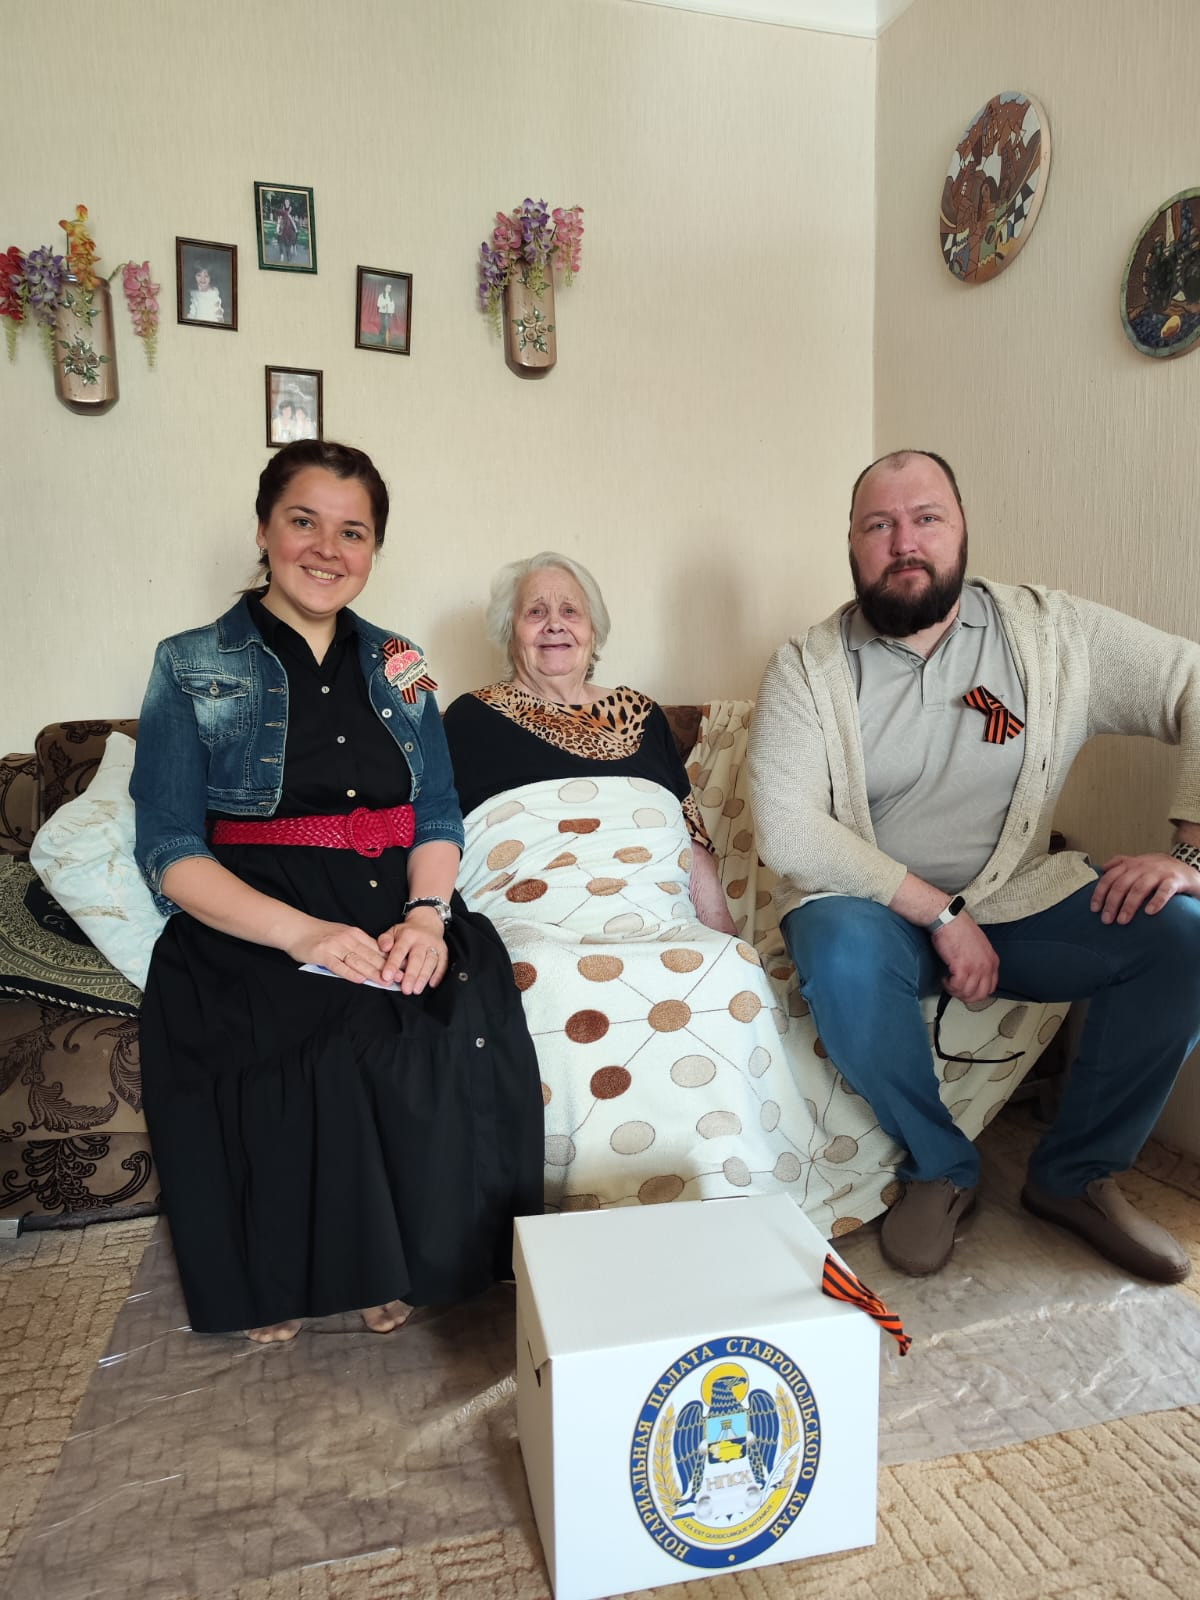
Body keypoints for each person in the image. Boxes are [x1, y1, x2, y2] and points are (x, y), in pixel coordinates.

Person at [748, 448, 1200, 1282]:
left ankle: (1075, 1177)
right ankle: (941, 1166)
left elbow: (1193, 680)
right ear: (850, 544)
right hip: (873, 914)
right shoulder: (807, 668)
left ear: (962, 531)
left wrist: (1190, 851)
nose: (904, 542)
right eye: (879, 525)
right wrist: (939, 912)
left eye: (927, 518)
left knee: (1184, 934)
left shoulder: (1053, 635)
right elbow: (786, 829)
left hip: (1018, 903)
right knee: (836, 946)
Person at [130, 439, 543, 1341]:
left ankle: (402, 1263)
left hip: (395, 900)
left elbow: (438, 812)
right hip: (256, 914)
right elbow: (167, 847)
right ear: (264, 531)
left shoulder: (402, 662)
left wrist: (427, 917)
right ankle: (289, 1277)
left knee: (452, 1013)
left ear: (373, 549)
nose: (327, 549)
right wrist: (300, 935)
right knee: (319, 1034)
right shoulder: (190, 662)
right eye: (303, 522)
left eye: (352, 532)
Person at [442, 553, 844, 1214]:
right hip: (539, 920)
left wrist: (724, 933)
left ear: (593, 630)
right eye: (535, 611)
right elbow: (442, 837)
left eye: (569, 610)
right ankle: (583, 1208)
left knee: (728, 970)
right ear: (510, 631)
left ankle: (728, 1192)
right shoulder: (468, 719)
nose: (554, 624)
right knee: (544, 977)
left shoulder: (642, 715)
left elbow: (690, 836)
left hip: (652, 914)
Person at [376, 281, 395, 347]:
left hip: (389, 313)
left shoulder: (391, 297)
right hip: (383, 313)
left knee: (388, 326)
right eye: (387, 287)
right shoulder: (381, 295)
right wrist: (383, 305)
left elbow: (393, 305)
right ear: (385, 288)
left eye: (390, 288)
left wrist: (391, 312)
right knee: (383, 325)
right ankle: (381, 339)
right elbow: (378, 304)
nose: (388, 289)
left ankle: (387, 340)